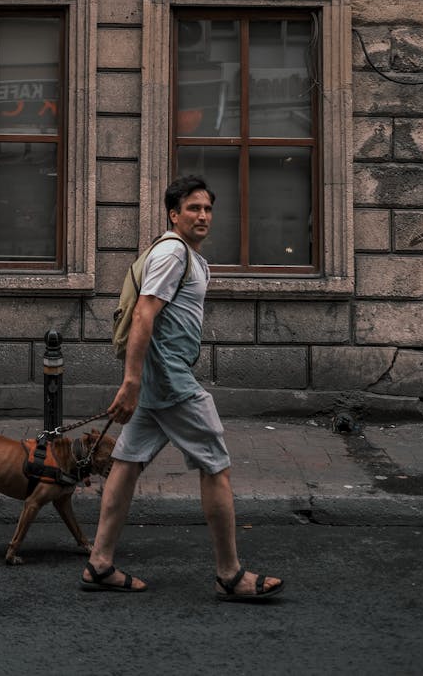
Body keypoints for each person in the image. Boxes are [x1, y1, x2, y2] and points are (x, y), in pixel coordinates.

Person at [80, 174, 284, 601]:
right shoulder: (173, 253)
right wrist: (131, 382)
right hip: (171, 380)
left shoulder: (183, 255)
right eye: (193, 208)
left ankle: (99, 564)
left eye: (208, 208)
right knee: (216, 464)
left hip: (158, 379)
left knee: (126, 461)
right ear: (174, 214)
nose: (203, 215)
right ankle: (230, 575)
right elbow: (143, 315)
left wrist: (139, 383)